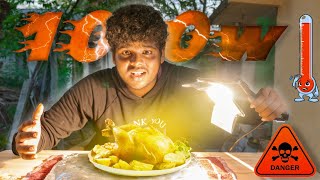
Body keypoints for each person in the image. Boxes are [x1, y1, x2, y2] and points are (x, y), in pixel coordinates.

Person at [13, 4, 287, 159]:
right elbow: (43, 133)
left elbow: (251, 112)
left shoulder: (196, 85)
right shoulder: (94, 88)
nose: (136, 63)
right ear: (114, 57)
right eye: (126, 54)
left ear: (161, 57)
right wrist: (27, 141)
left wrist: (266, 105)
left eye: (147, 53)